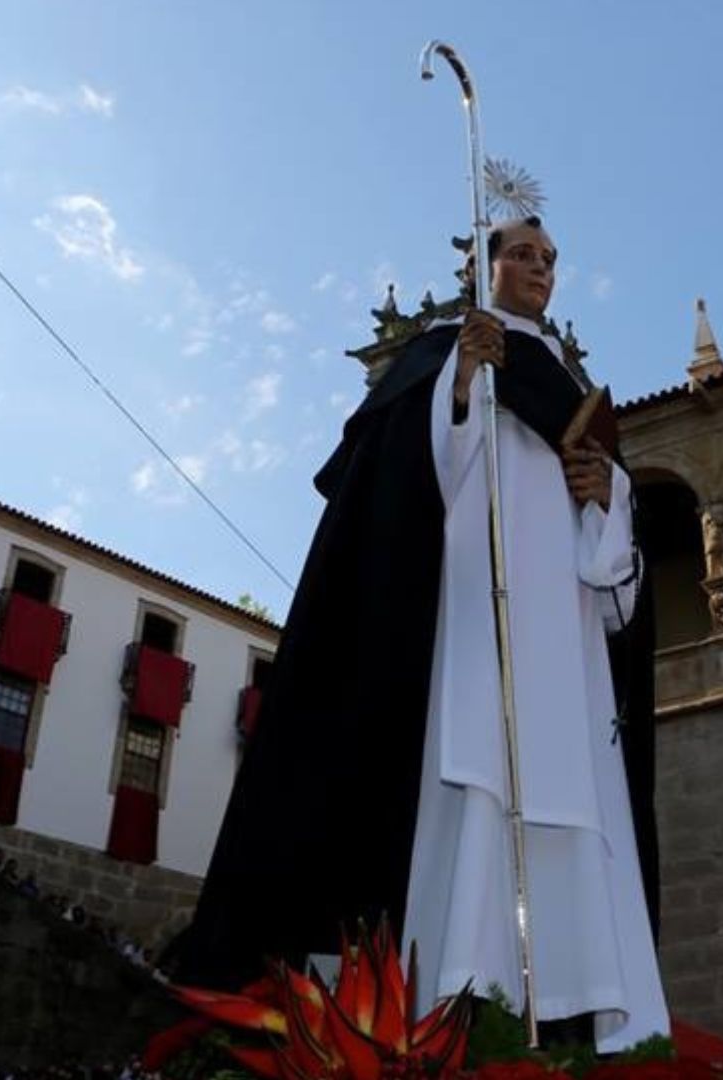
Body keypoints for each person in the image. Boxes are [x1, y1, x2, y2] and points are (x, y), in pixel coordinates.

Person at [172, 217, 665, 1052]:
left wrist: (607, 495)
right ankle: (462, 1001)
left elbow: (618, 583)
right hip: (475, 624)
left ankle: (576, 1017)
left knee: (571, 809)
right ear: (483, 266)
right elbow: (397, 486)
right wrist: (462, 387)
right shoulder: (440, 355)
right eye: (522, 254)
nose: (540, 269)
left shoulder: (568, 386)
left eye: (550, 259)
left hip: (566, 648)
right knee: (479, 796)